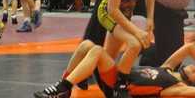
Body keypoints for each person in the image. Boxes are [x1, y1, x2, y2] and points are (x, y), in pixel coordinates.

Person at [34, 34, 195, 98]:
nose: (194, 68)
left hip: (120, 90)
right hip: (117, 77)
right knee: (87, 45)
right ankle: (64, 89)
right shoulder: (167, 68)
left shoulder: (177, 88)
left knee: (97, 51)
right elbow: (189, 48)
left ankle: (63, 87)